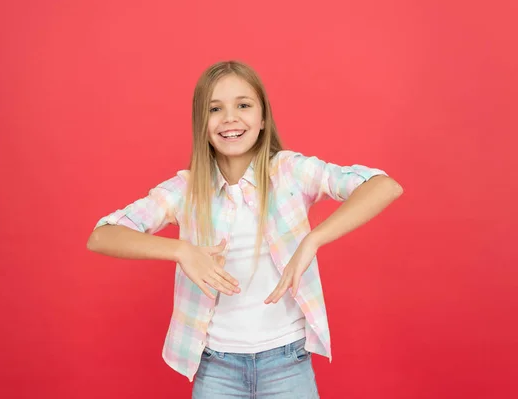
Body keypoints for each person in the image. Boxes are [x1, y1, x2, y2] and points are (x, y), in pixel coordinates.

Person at [87, 60, 403, 398]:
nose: (230, 118)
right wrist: (180, 251)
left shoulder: (289, 172)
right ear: (201, 123)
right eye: (215, 109)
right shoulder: (186, 190)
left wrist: (314, 240)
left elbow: (384, 186)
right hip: (216, 369)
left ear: (263, 118)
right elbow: (101, 235)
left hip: (288, 364)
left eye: (243, 105)